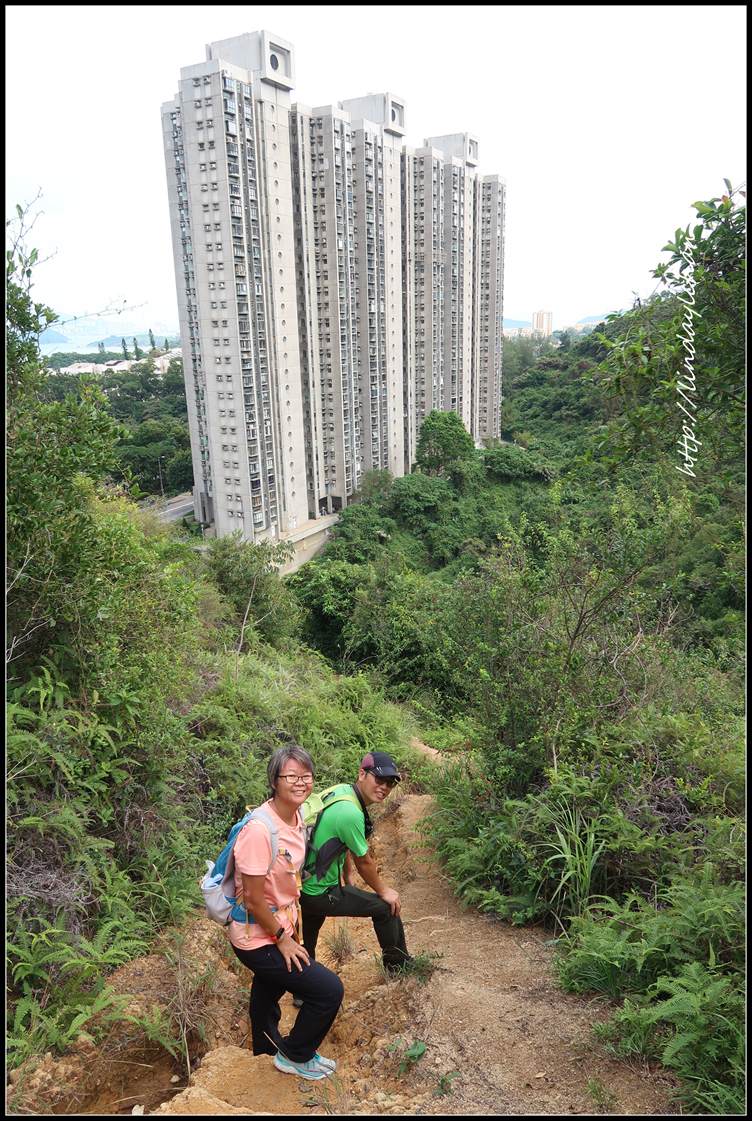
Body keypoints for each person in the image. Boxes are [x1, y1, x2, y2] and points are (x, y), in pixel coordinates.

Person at [228, 744, 343, 1081]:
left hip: (281, 923)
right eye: (291, 776)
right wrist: (282, 939)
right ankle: (295, 1055)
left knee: (268, 990)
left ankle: (265, 1053)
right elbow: (252, 899)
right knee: (328, 990)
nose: (300, 782)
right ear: (274, 781)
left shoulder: (297, 815)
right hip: (257, 935)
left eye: (306, 776)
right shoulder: (259, 831)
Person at [299, 751, 413, 978]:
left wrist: (347, 873)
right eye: (379, 779)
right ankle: (399, 967)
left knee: (306, 943)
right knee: (386, 908)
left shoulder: (341, 792)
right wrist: (383, 891)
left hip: (303, 885)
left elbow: (338, 839)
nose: (384, 787)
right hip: (321, 892)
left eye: (390, 783)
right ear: (362, 775)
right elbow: (364, 862)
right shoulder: (351, 812)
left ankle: (302, 989)